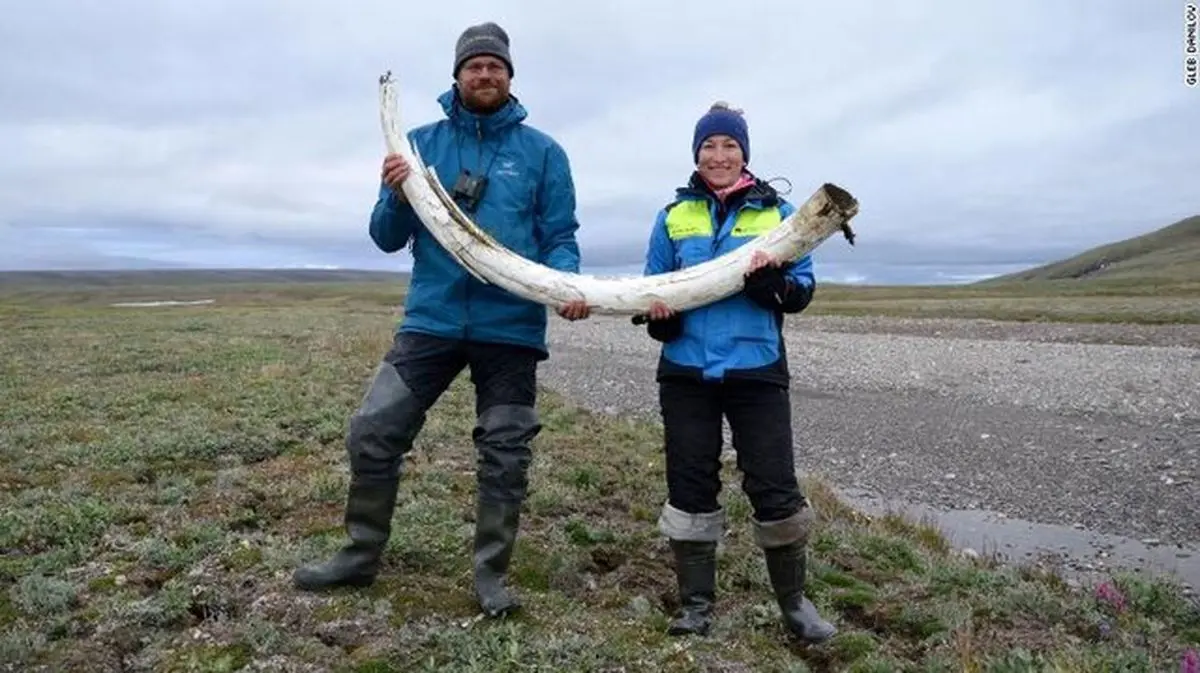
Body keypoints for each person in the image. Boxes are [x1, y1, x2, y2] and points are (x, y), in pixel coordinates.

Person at [292, 21, 589, 619]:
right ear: (456, 75)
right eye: (474, 66)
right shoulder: (418, 142)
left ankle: (490, 577)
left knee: (506, 452)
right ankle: (359, 554)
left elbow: (560, 237)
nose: (485, 74)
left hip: (511, 327)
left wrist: (567, 285)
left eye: (495, 67)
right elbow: (384, 238)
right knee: (373, 431)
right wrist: (395, 193)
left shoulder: (544, 152)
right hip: (431, 321)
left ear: (509, 77)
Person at [634, 101, 837, 644]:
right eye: (708, 146)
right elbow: (654, 284)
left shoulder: (782, 214)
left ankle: (795, 607)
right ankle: (695, 607)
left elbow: (804, 289)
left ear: (745, 153)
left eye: (729, 145)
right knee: (690, 483)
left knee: (774, 486)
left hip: (757, 370)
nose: (718, 155)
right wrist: (663, 323)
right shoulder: (672, 215)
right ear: (696, 154)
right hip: (685, 371)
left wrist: (776, 288)